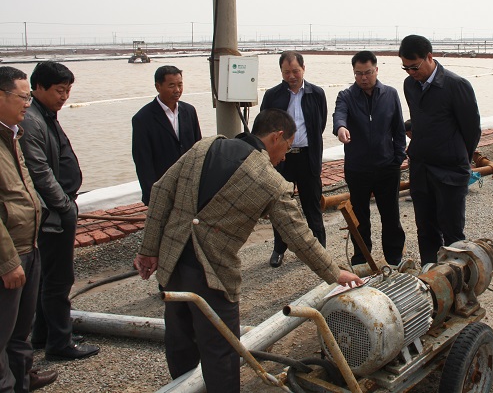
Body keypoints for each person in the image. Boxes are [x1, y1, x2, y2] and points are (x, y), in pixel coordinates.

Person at [133, 109, 362, 393]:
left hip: (173, 262)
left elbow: (160, 190)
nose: (284, 157)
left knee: (180, 341)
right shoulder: (270, 181)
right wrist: (334, 272)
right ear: (277, 137)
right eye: (287, 147)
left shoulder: (204, 147)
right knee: (221, 349)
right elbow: (298, 236)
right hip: (212, 273)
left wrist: (149, 249)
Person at [19, 62, 99, 361]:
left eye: (67, 91)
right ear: (38, 87)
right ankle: (60, 343)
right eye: (59, 91)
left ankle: (46, 333)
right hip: (53, 212)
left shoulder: (45, 115)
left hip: (58, 208)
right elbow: (39, 171)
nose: (64, 97)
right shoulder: (32, 120)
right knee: (58, 280)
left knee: (47, 277)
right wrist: (64, 206)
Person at [399, 35, 481, 265]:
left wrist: (459, 159)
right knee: (426, 231)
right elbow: (419, 119)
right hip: (421, 169)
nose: (411, 72)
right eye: (406, 68)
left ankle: (456, 279)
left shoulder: (456, 85)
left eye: (415, 67)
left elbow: (472, 130)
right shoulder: (410, 85)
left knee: (453, 233)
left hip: (450, 171)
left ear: (429, 57)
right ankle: (430, 277)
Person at [0, 67, 58, 392]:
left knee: (21, 332)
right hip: (9, 257)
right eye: (23, 97)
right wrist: (7, 261)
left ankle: (22, 381)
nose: (27, 104)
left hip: (28, 247)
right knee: (2, 334)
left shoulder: (13, 135)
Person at [333, 51, 407, 266]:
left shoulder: (390, 94)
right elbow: (339, 115)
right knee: (360, 217)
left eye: (367, 72)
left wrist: (398, 157)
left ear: (376, 70)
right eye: (358, 73)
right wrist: (341, 128)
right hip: (357, 168)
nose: (363, 78)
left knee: (390, 215)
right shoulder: (346, 96)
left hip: (387, 166)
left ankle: (394, 258)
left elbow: (398, 129)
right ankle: (362, 258)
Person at [261, 51, 327, 268]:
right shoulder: (272, 95)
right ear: (281, 71)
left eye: (295, 71)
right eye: (286, 72)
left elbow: (320, 125)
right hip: (282, 159)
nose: (291, 76)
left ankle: (319, 250)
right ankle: (279, 249)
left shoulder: (316, 93)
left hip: (308, 157)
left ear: (303, 69)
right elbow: (264, 127)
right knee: (280, 206)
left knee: (312, 205)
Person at [132, 65, 202, 206]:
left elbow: (198, 148)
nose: (177, 90)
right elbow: (143, 161)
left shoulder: (189, 111)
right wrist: (152, 195)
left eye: (180, 85)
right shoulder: (143, 118)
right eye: (171, 85)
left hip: (189, 185)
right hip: (162, 187)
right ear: (158, 87)